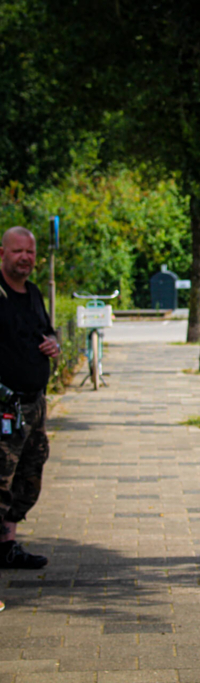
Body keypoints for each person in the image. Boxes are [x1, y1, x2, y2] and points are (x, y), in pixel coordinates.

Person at [0, 226, 58, 585]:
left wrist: (53, 343)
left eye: (31, 253)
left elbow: (47, 332)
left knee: (29, 474)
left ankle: (8, 543)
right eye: (18, 251)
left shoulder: (33, 293)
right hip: (4, 405)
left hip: (34, 404)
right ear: (2, 253)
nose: (26, 258)